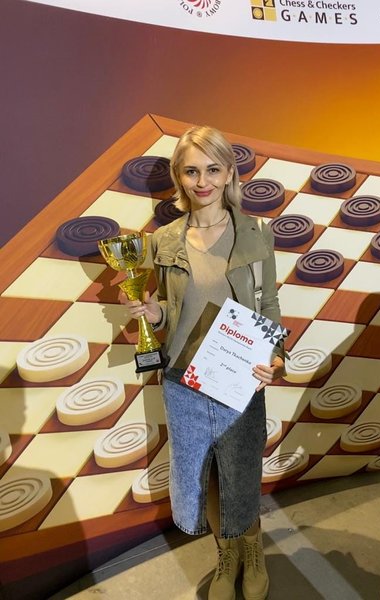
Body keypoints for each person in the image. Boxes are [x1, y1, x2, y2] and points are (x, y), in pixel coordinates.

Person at [124, 125, 285, 600]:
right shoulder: (164, 239)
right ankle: (226, 556)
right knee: (205, 476)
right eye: (191, 171)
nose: (203, 181)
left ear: (229, 172)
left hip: (238, 377)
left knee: (240, 474)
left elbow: (269, 305)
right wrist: (152, 313)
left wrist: (275, 356)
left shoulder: (256, 232)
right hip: (182, 377)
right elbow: (170, 309)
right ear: (179, 176)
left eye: (213, 169)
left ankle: (252, 550)